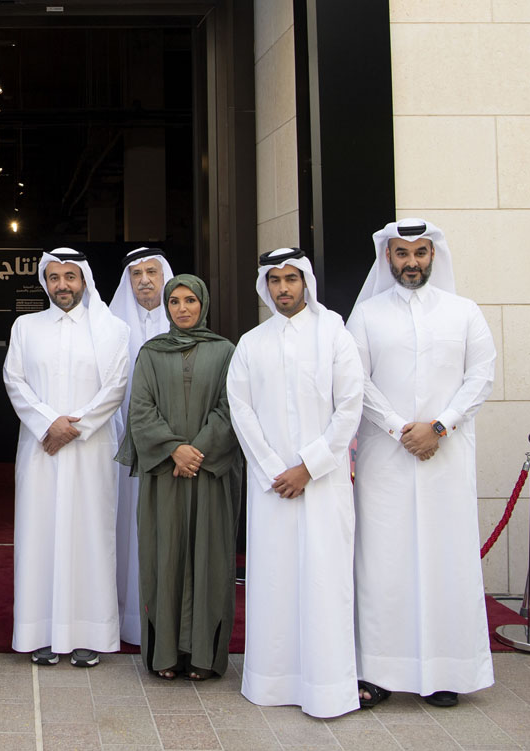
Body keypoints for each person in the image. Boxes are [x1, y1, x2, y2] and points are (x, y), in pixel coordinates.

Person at [346, 218, 496, 708]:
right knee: (383, 564)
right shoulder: (366, 315)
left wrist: (439, 427)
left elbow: (481, 376)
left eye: (420, 252)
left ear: (434, 256)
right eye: (402, 253)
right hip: (384, 461)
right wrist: (398, 428)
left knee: (444, 562)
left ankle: (446, 673)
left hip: (446, 459)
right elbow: (354, 381)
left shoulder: (465, 312)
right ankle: (380, 672)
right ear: (387, 258)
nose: (412, 262)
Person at [227, 248, 364, 717]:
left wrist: (309, 466)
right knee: (273, 582)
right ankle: (271, 682)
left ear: (305, 282)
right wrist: (271, 468)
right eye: (275, 281)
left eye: (291, 279)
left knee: (325, 582)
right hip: (272, 489)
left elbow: (350, 406)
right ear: (265, 286)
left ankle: (327, 688)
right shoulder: (251, 343)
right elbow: (240, 410)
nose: (283, 288)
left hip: (323, 485)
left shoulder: (335, 334)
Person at [3, 247, 129, 667]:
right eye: (54, 278)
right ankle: (39, 632)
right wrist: (47, 424)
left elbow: (116, 387)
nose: (62, 285)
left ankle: (88, 634)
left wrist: (73, 428)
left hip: (90, 452)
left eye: (70, 277)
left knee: (90, 537)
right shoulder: (26, 325)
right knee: (39, 536)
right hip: (40, 450)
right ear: (45, 282)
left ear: (84, 280)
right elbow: (14, 380)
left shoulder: (112, 330)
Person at [116, 274, 241, 681]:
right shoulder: (151, 353)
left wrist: (198, 451)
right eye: (175, 302)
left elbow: (231, 406)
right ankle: (165, 654)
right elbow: (141, 409)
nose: (183, 308)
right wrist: (174, 449)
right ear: (167, 308)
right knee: (163, 559)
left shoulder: (226, 352)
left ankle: (205, 657)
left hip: (210, 475)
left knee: (210, 559)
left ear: (203, 304)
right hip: (165, 476)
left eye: (190, 301)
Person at [108, 247, 175, 646]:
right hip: (124, 451)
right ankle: (128, 618)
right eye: (136, 274)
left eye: (152, 271)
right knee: (126, 528)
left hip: (174, 453)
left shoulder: (182, 318)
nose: (145, 280)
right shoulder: (113, 326)